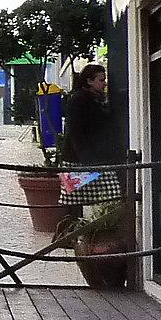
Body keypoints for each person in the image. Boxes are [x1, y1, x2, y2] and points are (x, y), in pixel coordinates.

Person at [57, 62, 120, 214]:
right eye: (101, 80)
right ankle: (67, 236)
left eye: (105, 80)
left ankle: (91, 232)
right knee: (72, 205)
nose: (105, 84)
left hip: (97, 159)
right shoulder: (78, 100)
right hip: (77, 161)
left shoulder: (100, 100)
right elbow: (75, 132)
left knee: (113, 197)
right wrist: (88, 161)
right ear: (89, 81)